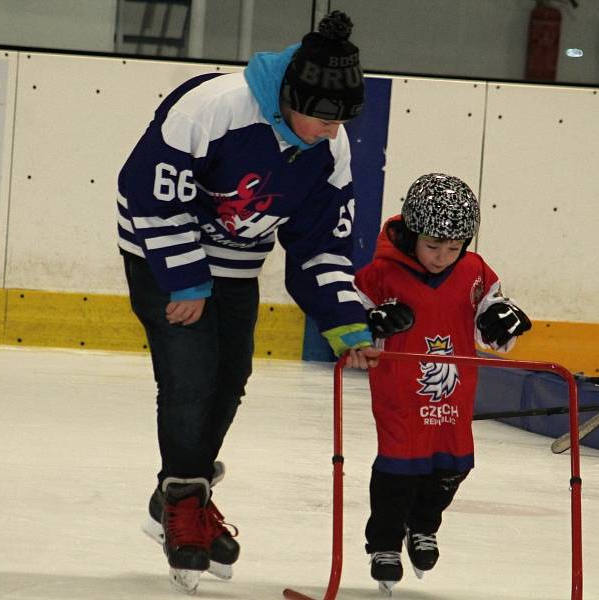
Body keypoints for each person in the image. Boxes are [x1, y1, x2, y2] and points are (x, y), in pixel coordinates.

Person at [116, 10, 380, 595]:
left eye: (341, 119)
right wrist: (184, 276)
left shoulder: (328, 151)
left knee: (232, 375)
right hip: (163, 251)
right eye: (319, 115)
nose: (329, 130)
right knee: (189, 374)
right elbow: (145, 188)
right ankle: (186, 496)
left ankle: (179, 496)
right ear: (288, 95)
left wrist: (346, 320)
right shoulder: (213, 106)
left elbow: (319, 245)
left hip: (236, 264)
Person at [354, 173, 531, 594]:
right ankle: (384, 543)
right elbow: (350, 327)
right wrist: (370, 324)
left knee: (452, 468)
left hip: (455, 394)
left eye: (453, 248)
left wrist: (502, 323)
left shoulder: (475, 272)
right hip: (400, 394)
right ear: (412, 234)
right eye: (433, 246)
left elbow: (493, 328)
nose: (442, 258)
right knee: (399, 469)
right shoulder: (380, 273)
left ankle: (423, 525)